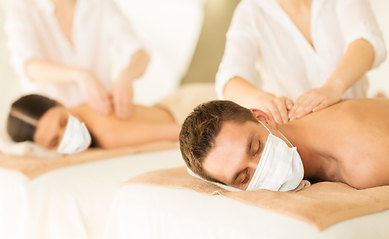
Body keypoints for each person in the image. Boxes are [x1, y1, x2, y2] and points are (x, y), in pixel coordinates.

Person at [216, 0, 386, 124]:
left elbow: (366, 41)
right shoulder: (250, 11)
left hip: (355, 120)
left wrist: (333, 87)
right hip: (297, 129)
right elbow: (229, 80)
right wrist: (267, 101)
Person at [179, 98, 389, 192]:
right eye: (244, 177)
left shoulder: (366, 163)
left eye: (257, 148)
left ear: (264, 118)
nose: (263, 166)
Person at [5, 0, 149, 119]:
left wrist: (127, 75)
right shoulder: (22, 7)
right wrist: (80, 75)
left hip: (99, 118)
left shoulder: (100, 4)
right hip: (52, 124)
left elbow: (139, 53)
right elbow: (30, 67)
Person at [7, 83, 216, 153]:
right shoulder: (78, 110)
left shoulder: (106, 134)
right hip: (174, 104)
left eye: (62, 122)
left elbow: (184, 131)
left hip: (194, 107)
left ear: (60, 103)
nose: (67, 135)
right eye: (55, 141)